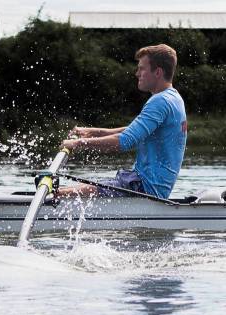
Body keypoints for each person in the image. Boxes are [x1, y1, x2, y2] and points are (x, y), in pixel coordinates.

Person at [59, 44, 187, 199]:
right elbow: (135, 130)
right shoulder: (173, 97)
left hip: (144, 187)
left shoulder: (160, 102)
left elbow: (126, 141)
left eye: (142, 69)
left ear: (158, 72)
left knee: (62, 194)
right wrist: (94, 132)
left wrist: (79, 143)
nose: (137, 73)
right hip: (143, 182)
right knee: (78, 189)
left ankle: (53, 197)